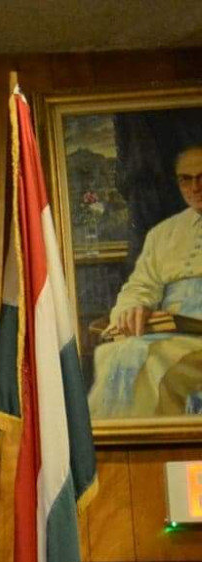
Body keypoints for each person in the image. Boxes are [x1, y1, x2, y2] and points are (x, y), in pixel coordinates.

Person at [89, 144, 202, 419]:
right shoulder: (163, 234)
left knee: (154, 362)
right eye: (185, 179)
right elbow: (140, 287)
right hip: (171, 333)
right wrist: (133, 309)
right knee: (114, 355)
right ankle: (113, 446)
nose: (195, 188)